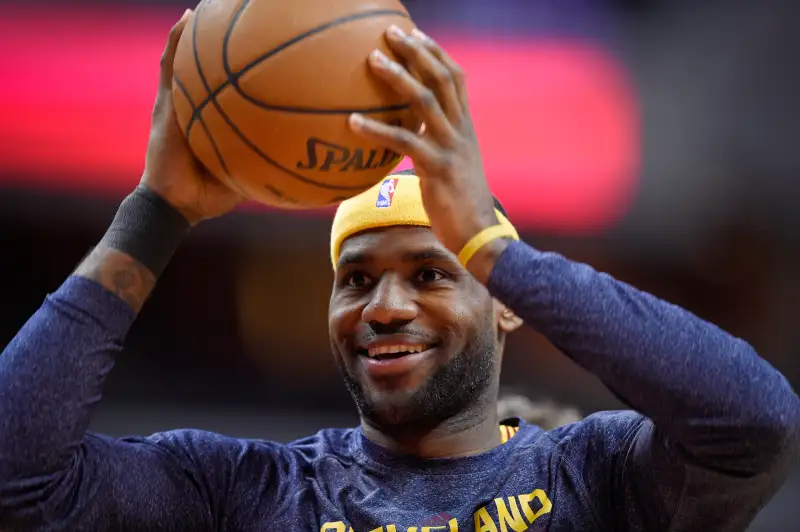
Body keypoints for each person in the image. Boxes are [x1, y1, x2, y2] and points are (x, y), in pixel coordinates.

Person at [0, 10, 798, 531]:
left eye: (431, 274)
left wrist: (497, 250)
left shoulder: (596, 479)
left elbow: (755, 421)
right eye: (355, 278)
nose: (384, 305)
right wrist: (156, 212)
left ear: (506, 306)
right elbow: (16, 474)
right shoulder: (249, 489)